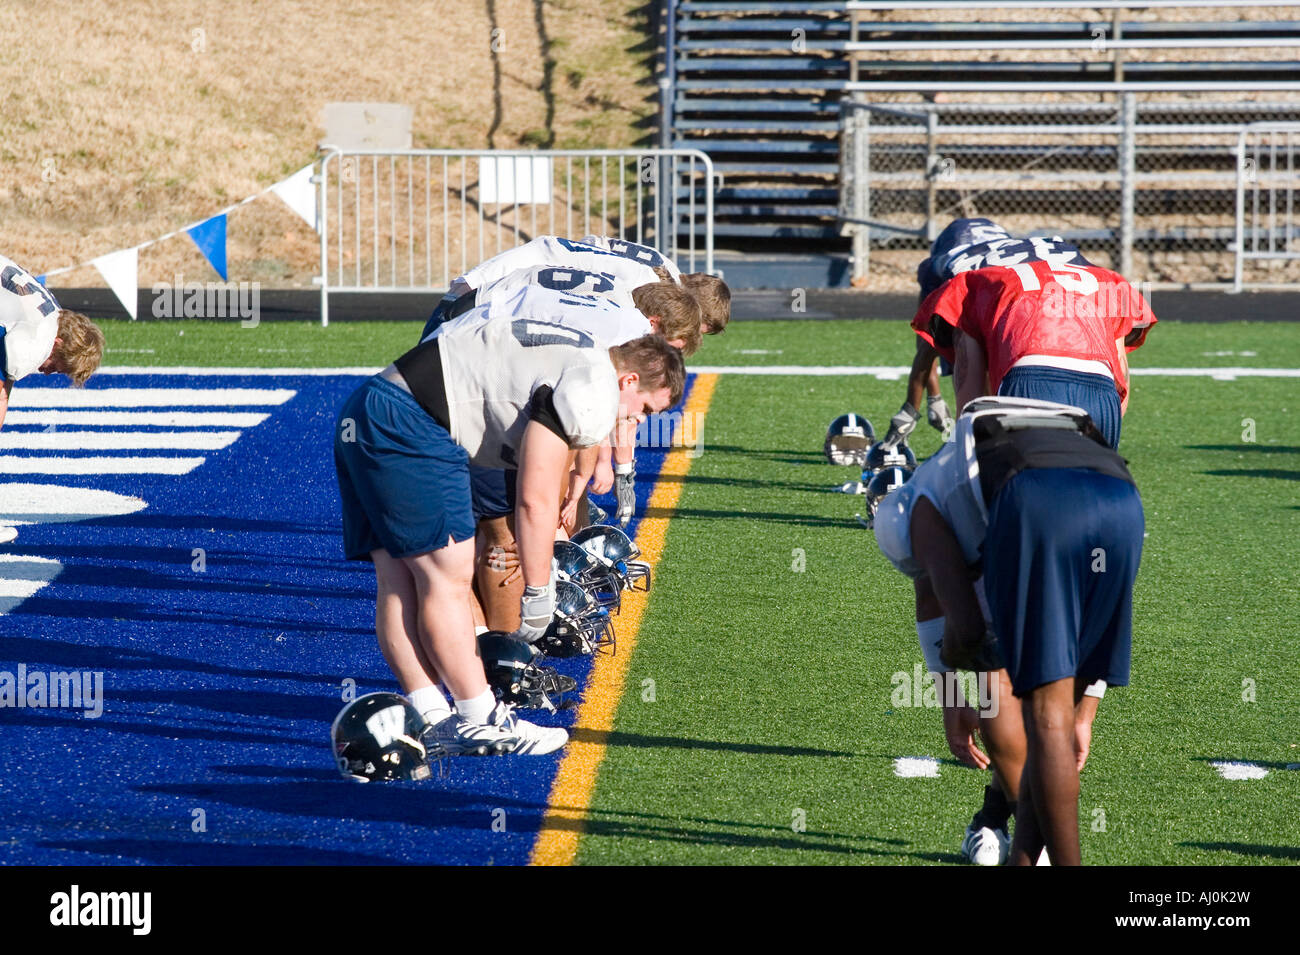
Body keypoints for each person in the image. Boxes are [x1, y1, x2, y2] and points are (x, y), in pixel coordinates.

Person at [334, 284, 684, 757]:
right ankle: (479, 718)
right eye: (645, 408)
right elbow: (534, 501)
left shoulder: (579, 354)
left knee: (399, 579)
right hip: (413, 423)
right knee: (447, 578)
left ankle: (434, 717)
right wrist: (539, 592)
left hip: (373, 405)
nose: (638, 421)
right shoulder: (593, 385)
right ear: (628, 381)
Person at [875, 396, 1144, 865]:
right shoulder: (954, 480)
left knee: (1045, 720)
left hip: (1037, 497)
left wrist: (956, 675)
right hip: (1121, 498)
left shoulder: (916, 512)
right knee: (1059, 725)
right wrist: (1087, 712)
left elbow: (967, 627)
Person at [910, 229, 1156, 449]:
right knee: (1094, 488)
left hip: (1030, 382)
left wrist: (972, 448)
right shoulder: (1108, 279)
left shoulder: (972, 283)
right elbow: (1119, 383)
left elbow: (972, 405)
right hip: (1102, 396)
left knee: (1016, 488)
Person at [1, 253, 106, 545]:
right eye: (57, 366)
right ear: (58, 343)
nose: (48, 373)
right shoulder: (35, 344)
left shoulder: (51, 315)